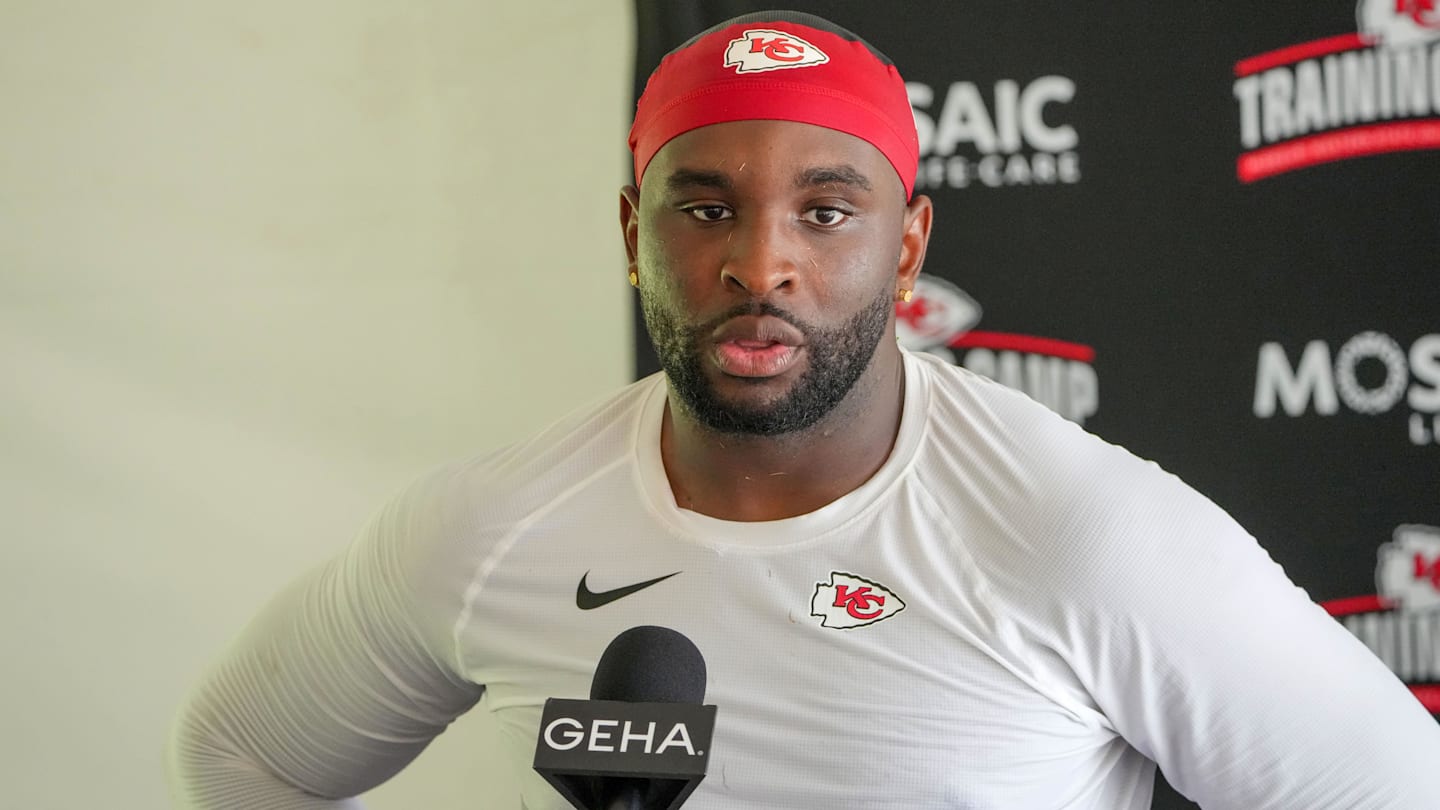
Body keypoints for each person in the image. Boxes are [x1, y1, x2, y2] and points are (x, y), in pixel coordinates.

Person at [166, 11, 1440, 810]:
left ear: (907, 246)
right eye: (705, 209)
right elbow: (241, 757)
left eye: (826, 212)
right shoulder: (493, 529)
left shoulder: (1077, 532)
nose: (761, 263)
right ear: (633, 234)